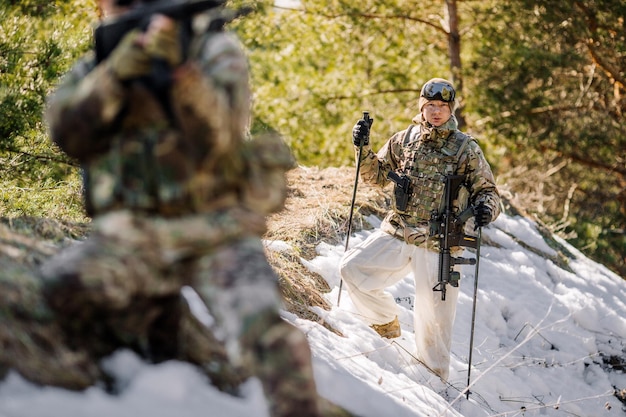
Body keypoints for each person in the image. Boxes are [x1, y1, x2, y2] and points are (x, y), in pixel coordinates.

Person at [39, 1, 331, 416]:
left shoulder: (213, 51)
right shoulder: (101, 62)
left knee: (264, 339)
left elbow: (222, 139)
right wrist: (114, 76)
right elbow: (67, 133)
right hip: (134, 234)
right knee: (56, 296)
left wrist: (183, 76)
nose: (120, 10)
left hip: (215, 232)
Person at [339, 78, 501, 380]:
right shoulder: (406, 138)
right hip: (399, 231)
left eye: (442, 106)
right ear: (422, 107)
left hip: (440, 244)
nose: (436, 112)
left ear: (450, 109)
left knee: (434, 324)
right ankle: (385, 322)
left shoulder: (466, 148)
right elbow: (375, 175)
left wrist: (485, 209)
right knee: (352, 270)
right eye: (430, 106)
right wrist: (362, 147)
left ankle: (433, 386)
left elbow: (488, 192)